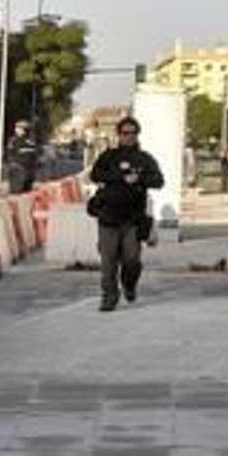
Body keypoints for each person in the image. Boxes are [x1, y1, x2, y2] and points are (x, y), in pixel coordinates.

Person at [88, 116, 165, 312]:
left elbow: (158, 181)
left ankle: (129, 285)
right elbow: (95, 175)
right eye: (125, 133)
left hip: (133, 219)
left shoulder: (145, 158)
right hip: (108, 217)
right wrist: (120, 177)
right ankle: (109, 296)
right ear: (119, 135)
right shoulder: (108, 156)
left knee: (132, 261)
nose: (129, 136)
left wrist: (139, 179)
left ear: (138, 135)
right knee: (108, 262)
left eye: (133, 133)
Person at [7, 119, 39, 193]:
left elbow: (10, 154)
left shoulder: (15, 140)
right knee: (25, 192)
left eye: (17, 128)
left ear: (23, 130)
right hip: (26, 170)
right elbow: (34, 156)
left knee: (18, 192)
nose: (15, 130)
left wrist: (13, 164)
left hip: (20, 170)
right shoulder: (31, 141)